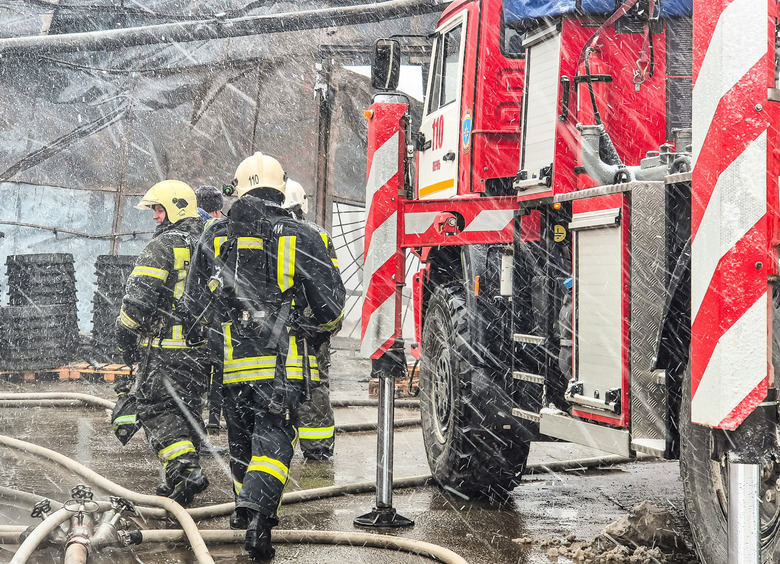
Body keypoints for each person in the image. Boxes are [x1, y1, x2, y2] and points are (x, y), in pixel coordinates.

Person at [185, 153, 345, 560]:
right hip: (283, 362)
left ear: (238, 187)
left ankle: (246, 508)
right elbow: (331, 309)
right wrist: (310, 328)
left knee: (240, 440)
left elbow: (191, 303)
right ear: (281, 187)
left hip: (231, 362)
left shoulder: (214, 235)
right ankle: (257, 518)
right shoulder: (303, 236)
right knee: (274, 437)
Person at [114, 180, 210, 505]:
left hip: (165, 351)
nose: (155, 217)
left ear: (172, 209)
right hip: (202, 353)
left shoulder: (162, 247)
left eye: (158, 209)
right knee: (188, 409)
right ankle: (181, 485)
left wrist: (124, 338)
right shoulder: (209, 244)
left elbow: (136, 305)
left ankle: (183, 469)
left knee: (155, 408)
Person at [282, 180, 340, 460]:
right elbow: (332, 289)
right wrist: (323, 325)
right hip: (310, 329)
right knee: (314, 385)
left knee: (282, 381)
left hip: (280, 329)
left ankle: (280, 442)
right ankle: (317, 449)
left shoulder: (269, 233)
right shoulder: (318, 236)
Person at [195, 184, 226, 431]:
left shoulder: (185, 226)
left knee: (198, 365)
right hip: (217, 312)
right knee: (219, 365)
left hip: (195, 312)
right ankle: (214, 418)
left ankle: (195, 416)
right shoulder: (218, 230)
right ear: (218, 209)